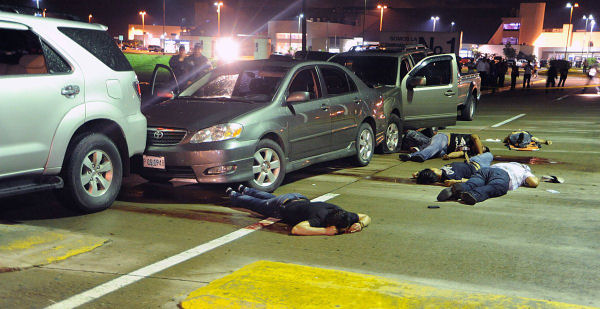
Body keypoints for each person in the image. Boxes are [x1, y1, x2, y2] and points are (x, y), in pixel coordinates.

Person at [225, 186, 371, 236]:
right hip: (282, 206)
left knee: (268, 199)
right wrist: (325, 232)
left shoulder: (342, 214)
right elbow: (297, 229)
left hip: (297, 198)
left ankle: (246, 189)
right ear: (330, 225)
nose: (344, 231)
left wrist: (361, 224)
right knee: (258, 204)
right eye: (341, 230)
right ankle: (235, 195)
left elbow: (365, 216)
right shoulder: (319, 219)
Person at [437, 162, 539, 205]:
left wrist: (460, 181)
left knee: (474, 182)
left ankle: (461, 188)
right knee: (495, 187)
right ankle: (474, 194)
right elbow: (533, 183)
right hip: (502, 175)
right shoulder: (524, 170)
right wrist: (536, 178)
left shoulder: (506, 164)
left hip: (486, 170)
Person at [399, 131, 487, 163]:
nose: (480, 148)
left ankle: (415, 151)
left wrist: (449, 156)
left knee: (434, 151)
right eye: (482, 147)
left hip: (444, 150)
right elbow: (476, 138)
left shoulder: (469, 152)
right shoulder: (474, 139)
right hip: (443, 139)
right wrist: (481, 154)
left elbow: (458, 153)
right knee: (434, 147)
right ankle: (417, 155)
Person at [413, 152, 494, 186]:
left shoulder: (440, 171)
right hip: (480, 168)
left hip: (471, 161)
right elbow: (471, 180)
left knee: (488, 153)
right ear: (435, 177)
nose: (434, 169)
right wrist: (456, 182)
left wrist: (418, 174)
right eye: (433, 170)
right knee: (489, 155)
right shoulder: (450, 178)